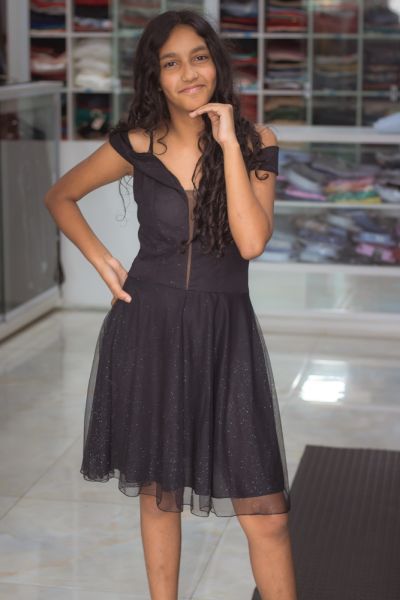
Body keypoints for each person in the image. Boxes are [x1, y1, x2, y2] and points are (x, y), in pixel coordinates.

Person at [44, 9, 298, 600]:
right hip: (149, 328)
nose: (189, 73)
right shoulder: (138, 144)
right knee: (161, 496)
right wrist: (102, 260)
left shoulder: (256, 142)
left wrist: (228, 143)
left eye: (199, 58)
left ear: (217, 64)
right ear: (155, 77)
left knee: (268, 516)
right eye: (172, 63)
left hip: (226, 335)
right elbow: (61, 196)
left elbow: (251, 242)